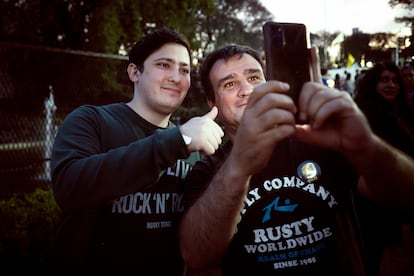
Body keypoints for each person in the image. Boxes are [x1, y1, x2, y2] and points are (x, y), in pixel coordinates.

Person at [178, 45, 414, 275]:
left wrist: (365, 145)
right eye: (230, 84)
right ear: (212, 102)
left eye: (254, 78)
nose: (247, 90)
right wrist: (238, 168)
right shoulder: (206, 170)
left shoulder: (322, 142)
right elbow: (195, 255)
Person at [48, 28, 224, 275]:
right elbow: (69, 187)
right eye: (164, 65)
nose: (176, 77)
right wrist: (178, 141)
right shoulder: (92, 120)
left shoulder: (195, 144)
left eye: (184, 70)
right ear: (134, 72)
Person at [354, 61, 414, 276]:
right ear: (373, 84)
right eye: (385, 80)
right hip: (375, 206)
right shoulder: (363, 117)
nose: (392, 85)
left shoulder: (403, 113)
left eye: (396, 80)